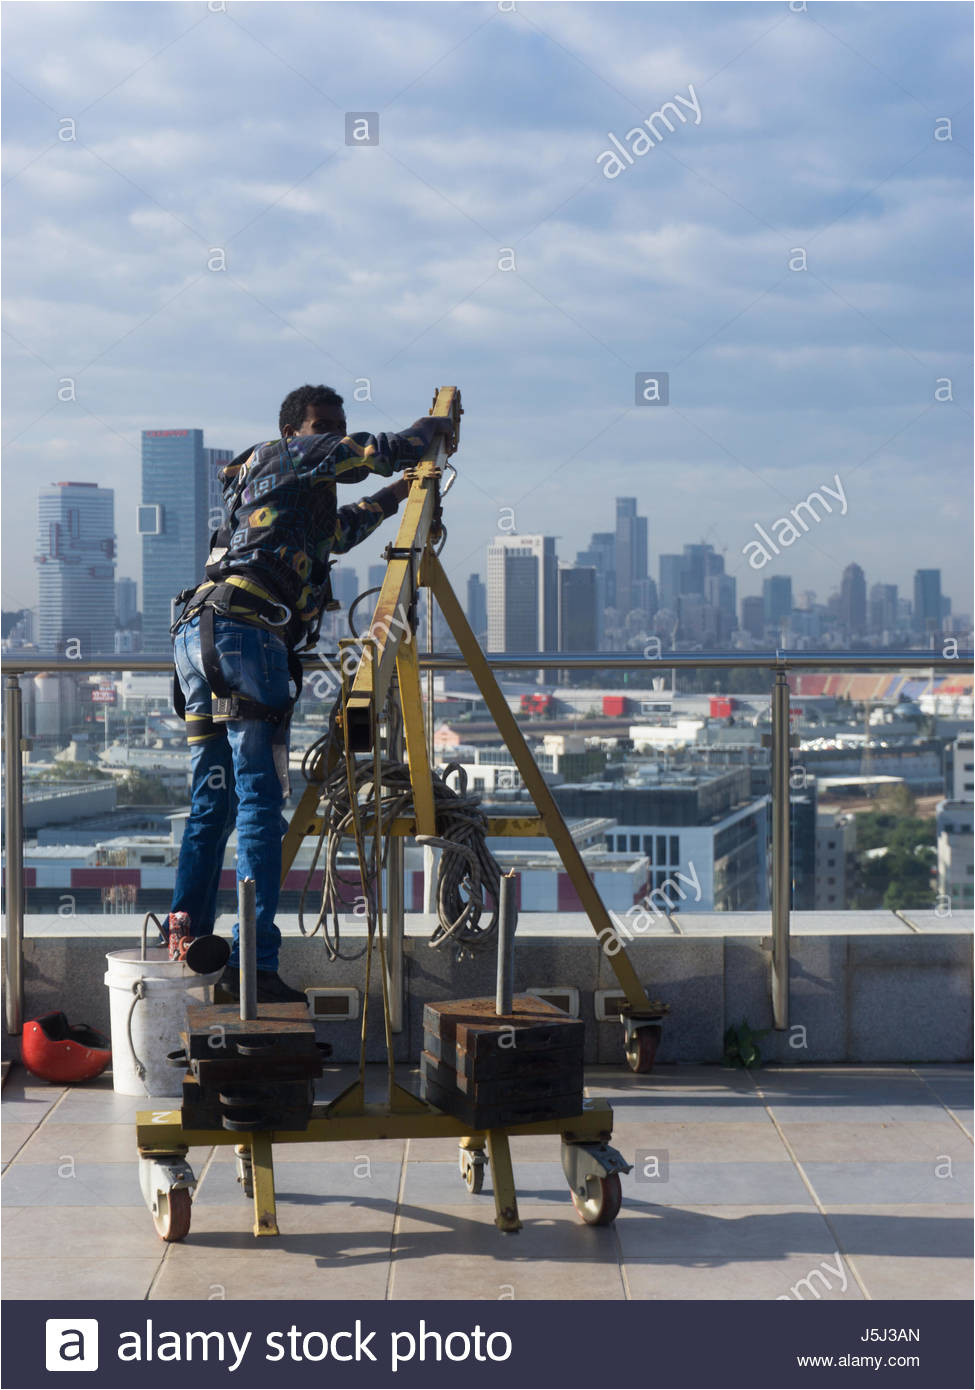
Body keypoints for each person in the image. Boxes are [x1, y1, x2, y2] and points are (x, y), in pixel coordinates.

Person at [166, 384, 450, 1002]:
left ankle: (183, 944)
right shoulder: (288, 455)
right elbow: (380, 449)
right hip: (246, 636)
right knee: (259, 804)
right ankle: (254, 969)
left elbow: (340, 534)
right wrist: (435, 426)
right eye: (321, 427)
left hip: (201, 635)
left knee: (212, 802)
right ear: (296, 432)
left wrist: (397, 496)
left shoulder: (281, 496)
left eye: (335, 426)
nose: (329, 436)